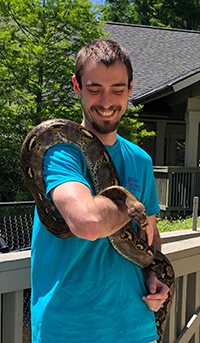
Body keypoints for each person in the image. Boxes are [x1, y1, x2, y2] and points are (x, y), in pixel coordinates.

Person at [31, 39, 169, 343]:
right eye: (94, 89)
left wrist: (154, 274)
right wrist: (131, 207)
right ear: (77, 87)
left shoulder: (140, 160)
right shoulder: (58, 152)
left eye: (117, 89)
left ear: (131, 88)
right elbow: (88, 222)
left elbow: (151, 235)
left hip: (137, 328)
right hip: (68, 330)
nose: (106, 101)